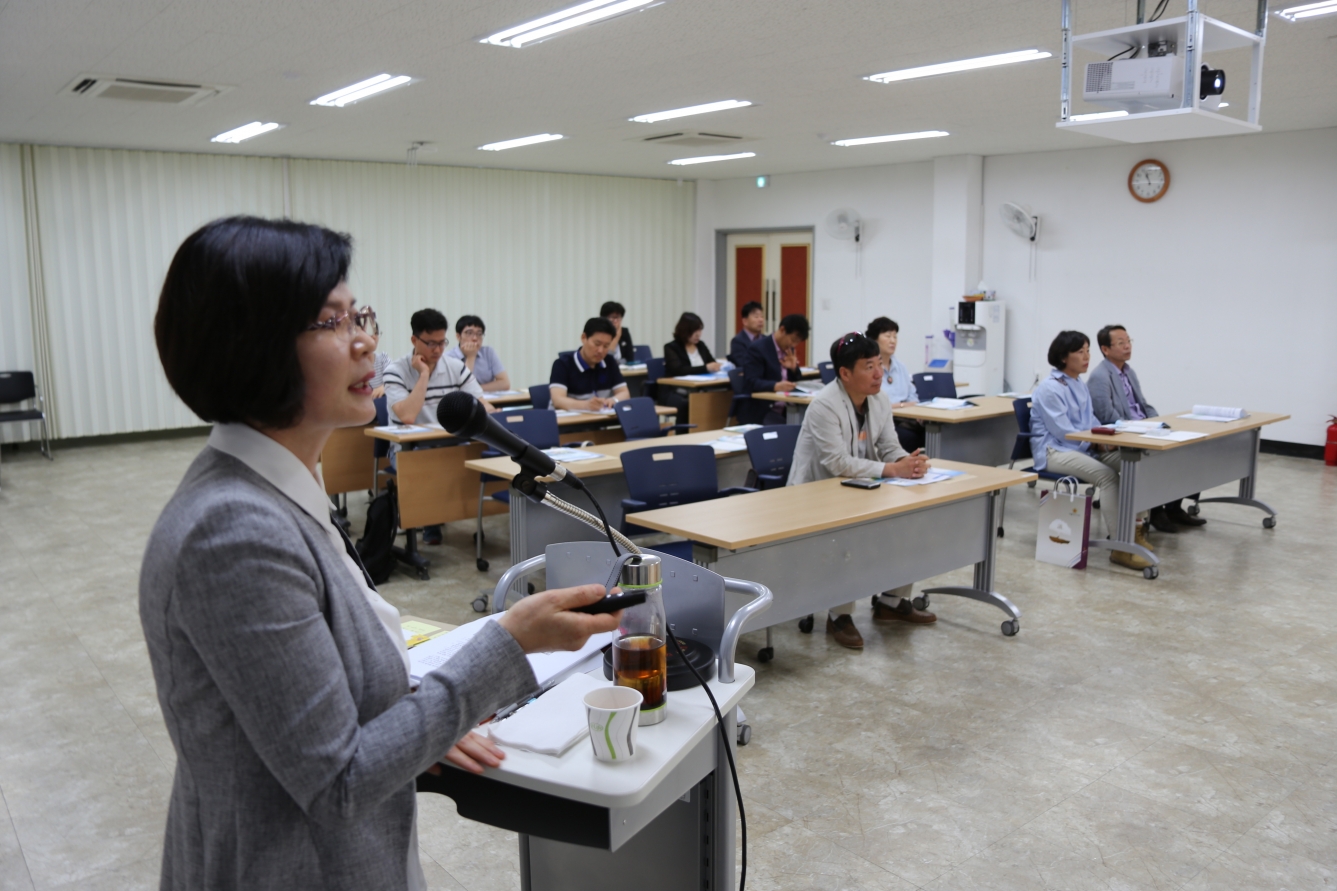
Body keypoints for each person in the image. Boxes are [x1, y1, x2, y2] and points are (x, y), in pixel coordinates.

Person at [142, 215, 621, 891]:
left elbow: (320, 695)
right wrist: (506, 645)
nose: (366, 340)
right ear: (252, 347)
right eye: (331, 321)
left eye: (357, 313)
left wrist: (416, 720)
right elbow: (337, 780)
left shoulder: (287, 482)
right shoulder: (233, 534)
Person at [788, 333, 935, 648]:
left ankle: (891, 603)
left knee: (908, 518)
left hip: (860, 487)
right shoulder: (824, 405)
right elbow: (837, 462)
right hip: (815, 494)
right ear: (845, 373)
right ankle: (839, 615)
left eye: (879, 364)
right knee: (848, 538)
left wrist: (906, 462)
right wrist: (892, 469)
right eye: (869, 367)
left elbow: (888, 445)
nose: (879, 373)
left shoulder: (879, 399)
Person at [1031, 330, 1153, 571]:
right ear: (1064, 357)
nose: (1087, 357)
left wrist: (1110, 436)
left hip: (1082, 447)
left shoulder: (1077, 383)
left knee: (1137, 467)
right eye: (1080, 352)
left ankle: (1136, 532)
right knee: (1108, 478)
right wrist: (1096, 443)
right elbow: (1063, 432)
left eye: (1088, 351)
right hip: (1055, 451)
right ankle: (1121, 547)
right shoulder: (1050, 388)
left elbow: (1091, 421)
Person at [383, 308, 495, 545]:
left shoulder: (455, 366)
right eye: (430, 343)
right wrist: (423, 375)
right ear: (414, 340)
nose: (437, 350)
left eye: (441, 343)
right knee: (426, 463)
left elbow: (480, 401)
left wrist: (488, 409)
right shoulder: (396, 371)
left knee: (479, 456)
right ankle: (428, 522)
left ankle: (472, 515)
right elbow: (408, 416)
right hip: (408, 449)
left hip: (452, 440)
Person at [1089, 325, 1205, 533]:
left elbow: (1143, 404)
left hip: (1142, 428)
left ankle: (1174, 508)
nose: (1127, 346)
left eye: (1129, 341)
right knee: (1156, 459)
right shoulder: (1100, 376)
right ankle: (1156, 511)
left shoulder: (1128, 371)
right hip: (1127, 433)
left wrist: (1159, 423)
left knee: (1185, 451)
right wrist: (1139, 429)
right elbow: (1106, 416)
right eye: (1121, 343)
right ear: (1105, 349)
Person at [738, 313, 810, 425]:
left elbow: (796, 382)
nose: (794, 345)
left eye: (797, 342)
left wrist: (793, 369)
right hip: (764, 410)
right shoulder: (758, 349)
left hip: (787, 409)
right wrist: (776, 386)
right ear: (782, 330)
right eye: (793, 339)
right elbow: (751, 382)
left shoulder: (788, 351)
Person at [866, 316, 923, 452]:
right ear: (874, 339)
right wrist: (903, 405)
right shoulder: (869, 368)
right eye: (888, 336)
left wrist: (915, 410)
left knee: (927, 433)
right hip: (882, 422)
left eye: (895, 337)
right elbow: (873, 404)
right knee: (908, 437)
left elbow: (912, 396)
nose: (893, 341)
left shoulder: (900, 367)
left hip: (906, 419)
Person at [550, 317, 632, 411]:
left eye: (606, 346)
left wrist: (613, 400)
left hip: (596, 421)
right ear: (584, 338)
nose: (601, 350)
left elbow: (625, 393)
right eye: (597, 344)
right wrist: (586, 405)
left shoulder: (609, 362)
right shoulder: (562, 364)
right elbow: (558, 400)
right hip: (566, 423)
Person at [660, 312, 723, 423]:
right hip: (676, 391)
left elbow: (711, 362)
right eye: (695, 331)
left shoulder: (701, 345)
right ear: (685, 331)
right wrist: (705, 368)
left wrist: (715, 366)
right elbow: (678, 370)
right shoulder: (671, 347)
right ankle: (684, 434)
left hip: (701, 388)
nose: (698, 334)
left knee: (719, 399)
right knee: (688, 404)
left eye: (700, 330)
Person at [446, 314, 512, 392]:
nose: (475, 338)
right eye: (469, 333)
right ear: (458, 336)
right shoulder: (449, 357)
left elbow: (505, 383)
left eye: (479, 334)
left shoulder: (488, 352)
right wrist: (471, 357)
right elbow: (461, 387)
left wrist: (476, 389)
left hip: (488, 399)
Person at [728, 300, 766, 365]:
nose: (761, 320)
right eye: (756, 317)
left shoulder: (766, 339)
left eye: (762, 316)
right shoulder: (738, 342)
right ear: (745, 321)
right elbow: (744, 364)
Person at [601, 300, 637, 365]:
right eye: (612, 317)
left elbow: (630, 358)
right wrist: (616, 337)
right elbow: (605, 361)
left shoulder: (624, 332)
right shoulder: (599, 334)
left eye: (618, 317)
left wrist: (617, 362)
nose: (615, 321)